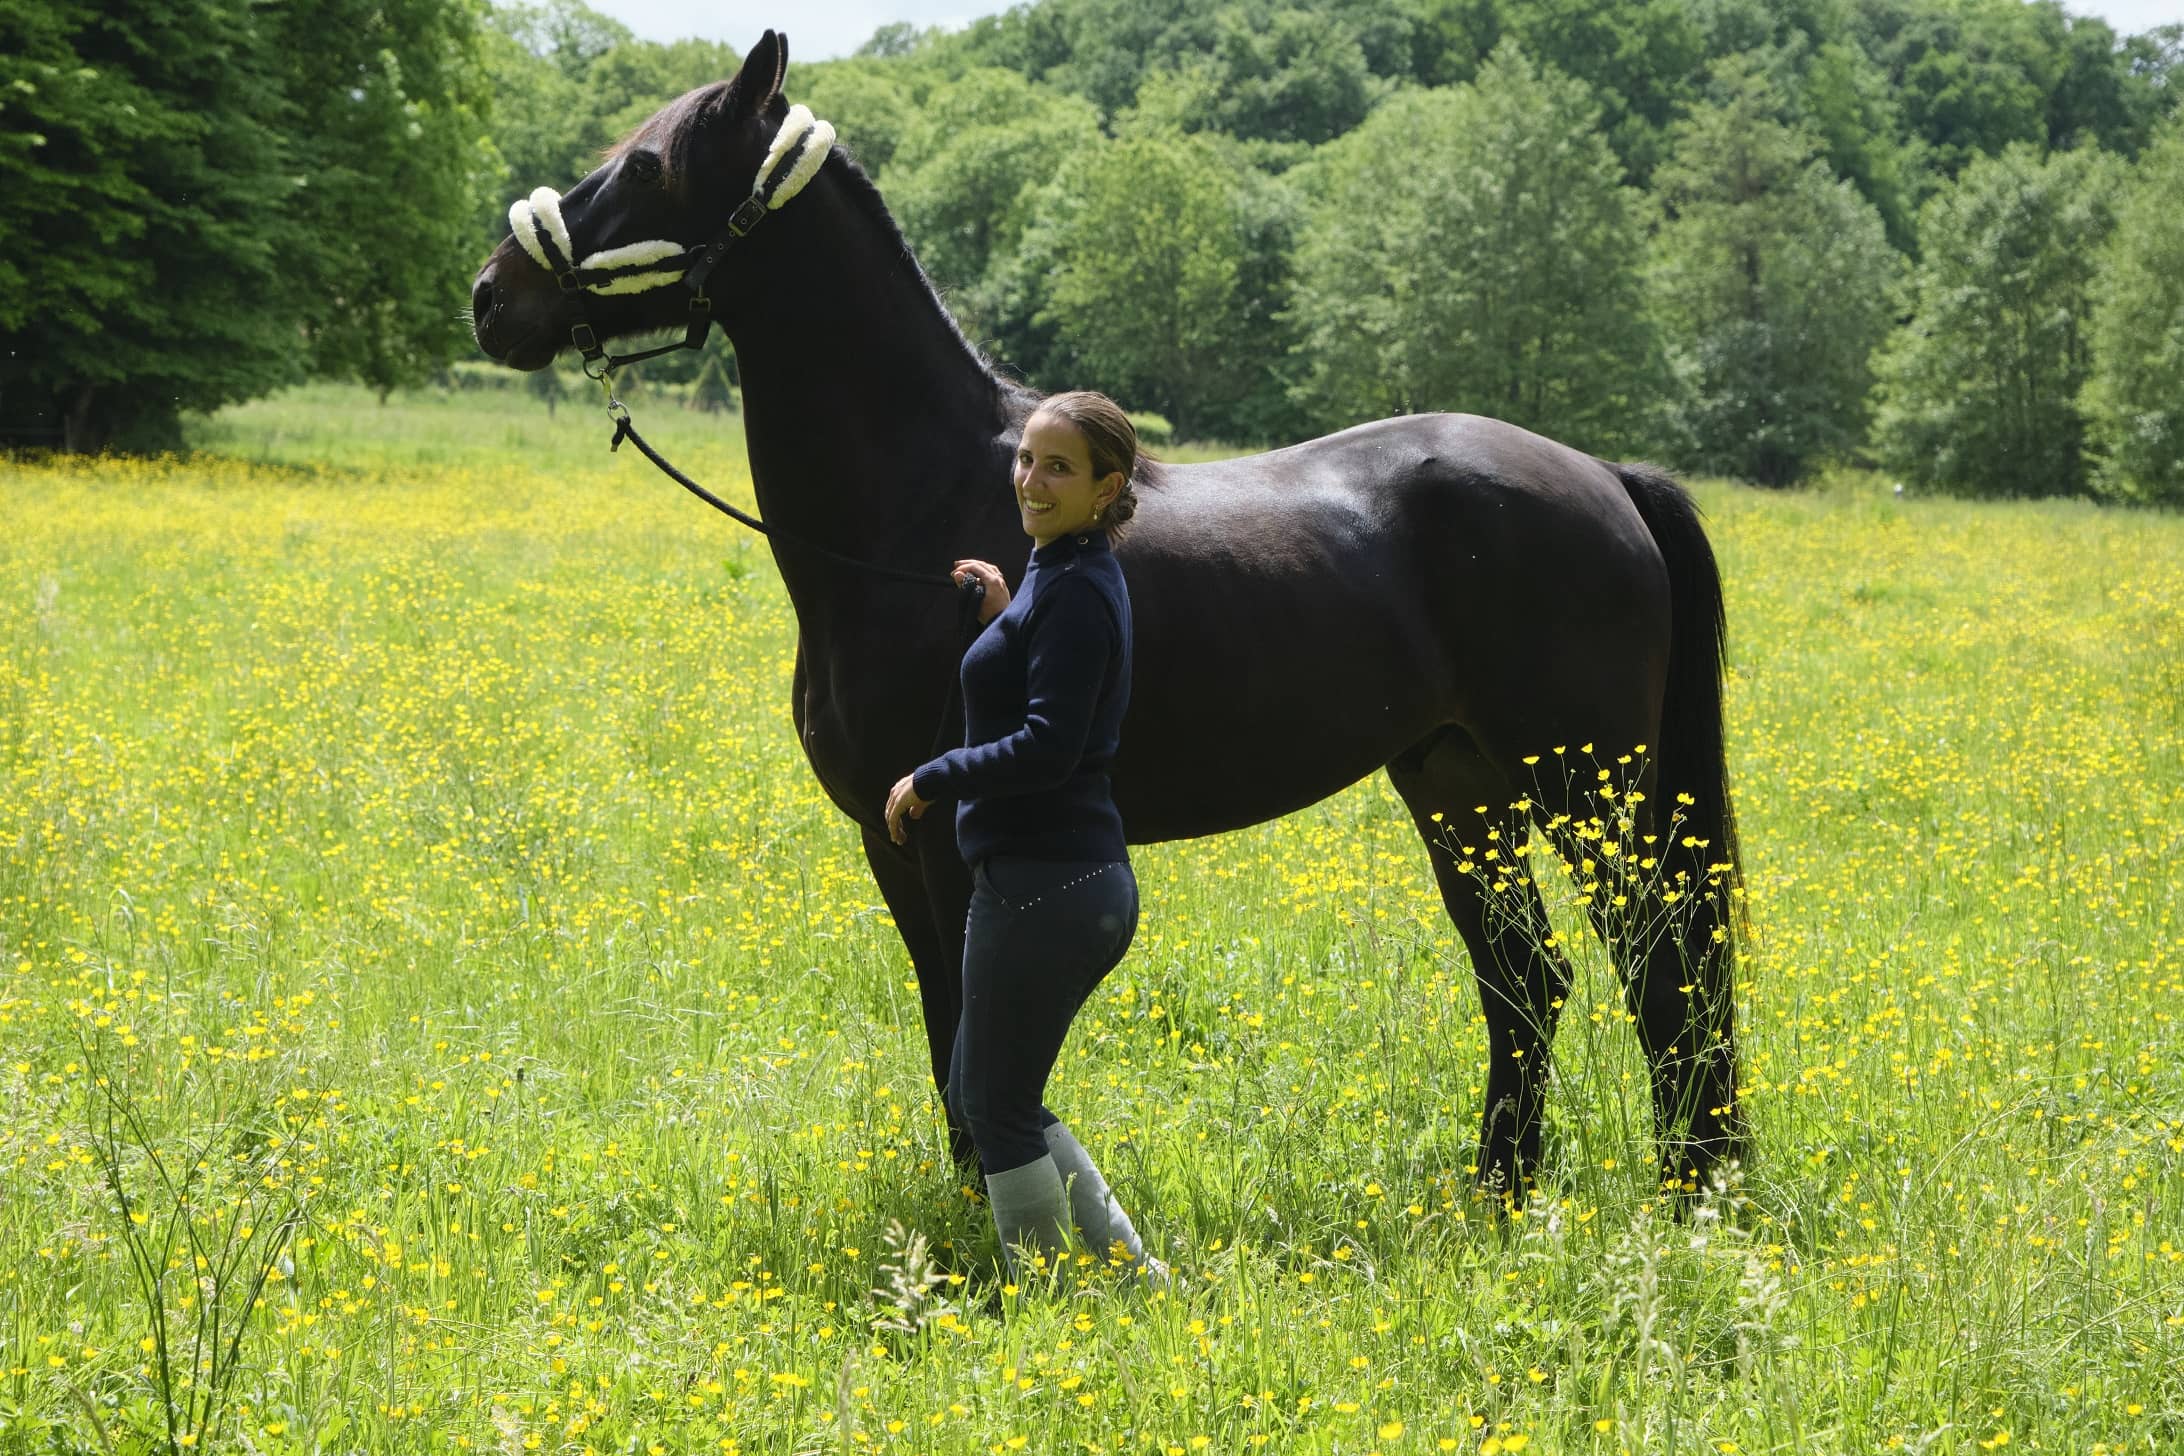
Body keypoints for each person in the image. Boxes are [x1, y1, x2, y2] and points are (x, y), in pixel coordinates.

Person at [883, 390, 1163, 1285]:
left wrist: (934, 776)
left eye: (1059, 467)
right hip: (1041, 878)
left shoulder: (1080, 588)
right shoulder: (1056, 567)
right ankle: (1130, 1274)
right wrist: (1004, 613)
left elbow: (1052, 746)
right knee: (987, 1093)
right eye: (1026, 460)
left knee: (998, 1107)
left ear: (1106, 486)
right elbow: (1041, 661)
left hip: (1051, 882)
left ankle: (1042, 1293)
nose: (1031, 481)